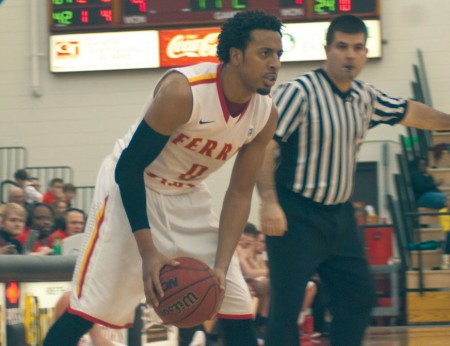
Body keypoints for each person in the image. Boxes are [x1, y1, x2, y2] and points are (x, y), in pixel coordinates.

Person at [44, 10, 282, 346]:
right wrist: (149, 253)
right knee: (86, 312)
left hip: (187, 195)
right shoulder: (183, 92)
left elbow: (240, 193)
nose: (274, 63)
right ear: (236, 55)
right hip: (131, 187)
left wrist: (221, 265)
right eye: (265, 53)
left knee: (235, 305)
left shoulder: (265, 113)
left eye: (278, 54)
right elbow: (128, 169)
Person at [256, 14, 450, 346]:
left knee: (358, 300)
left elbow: (411, 111)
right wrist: (269, 201)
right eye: (342, 47)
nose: (350, 55)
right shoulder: (298, 92)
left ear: (364, 53)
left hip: (340, 219)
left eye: (358, 48)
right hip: (296, 215)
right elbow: (261, 146)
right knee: (286, 311)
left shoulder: (366, 97)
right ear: (327, 50)